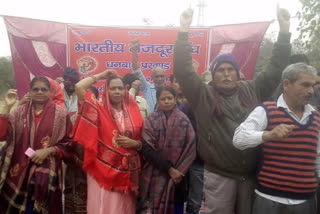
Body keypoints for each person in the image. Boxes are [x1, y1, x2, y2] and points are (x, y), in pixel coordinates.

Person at [173, 7, 291, 214]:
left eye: (230, 70)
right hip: (219, 175)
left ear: (237, 74)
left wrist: (284, 31)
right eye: (220, 70)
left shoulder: (253, 89)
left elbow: (275, 67)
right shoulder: (203, 95)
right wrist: (184, 31)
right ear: (214, 74)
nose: (226, 74)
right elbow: (183, 70)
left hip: (250, 174)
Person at [233, 63, 319, 214]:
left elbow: (318, 157)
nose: (311, 91)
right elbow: (238, 139)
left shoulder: (316, 117)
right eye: (305, 85)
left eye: (313, 85)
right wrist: (269, 135)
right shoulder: (266, 110)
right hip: (269, 199)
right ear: (286, 84)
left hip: (305, 201)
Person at [73, 70, 144, 214]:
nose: (117, 91)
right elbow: (79, 87)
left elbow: (144, 139)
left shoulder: (134, 111)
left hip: (128, 171)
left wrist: (136, 144)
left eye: (120, 88)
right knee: (104, 205)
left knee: (125, 207)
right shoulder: (98, 108)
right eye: (112, 88)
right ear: (106, 90)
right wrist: (101, 75)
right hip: (102, 168)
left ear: (125, 90)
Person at [0, 76, 73, 214]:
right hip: (19, 169)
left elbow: (69, 143)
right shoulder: (19, 111)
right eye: (36, 89)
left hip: (46, 172)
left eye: (44, 89)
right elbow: (3, 135)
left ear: (50, 92)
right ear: (30, 91)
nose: (39, 92)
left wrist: (50, 150)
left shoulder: (61, 114)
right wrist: (7, 106)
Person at [138, 85, 196, 214]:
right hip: (156, 173)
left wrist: (179, 171)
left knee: (176, 207)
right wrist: (169, 169)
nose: (167, 101)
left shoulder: (184, 121)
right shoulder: (150, 120)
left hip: (178, 177)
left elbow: (191, 148)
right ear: (158, 101)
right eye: (163, 99)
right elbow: (147, 150)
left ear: (175, 99)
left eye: (170, 98)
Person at [170, 74, 204, 214]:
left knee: (195, 201)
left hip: (198, 160)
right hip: (180, 161)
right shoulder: (178, 105)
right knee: (177, 196)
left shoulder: (203, 104)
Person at [131, 39, 166, 112]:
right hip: (149, 122)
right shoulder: (146, 88)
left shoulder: (170, 91)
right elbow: (136, 68)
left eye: (162, 76)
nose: (160, 79)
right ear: (152, 77)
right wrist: (134, 50)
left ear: (165, 77)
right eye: (157, 76)